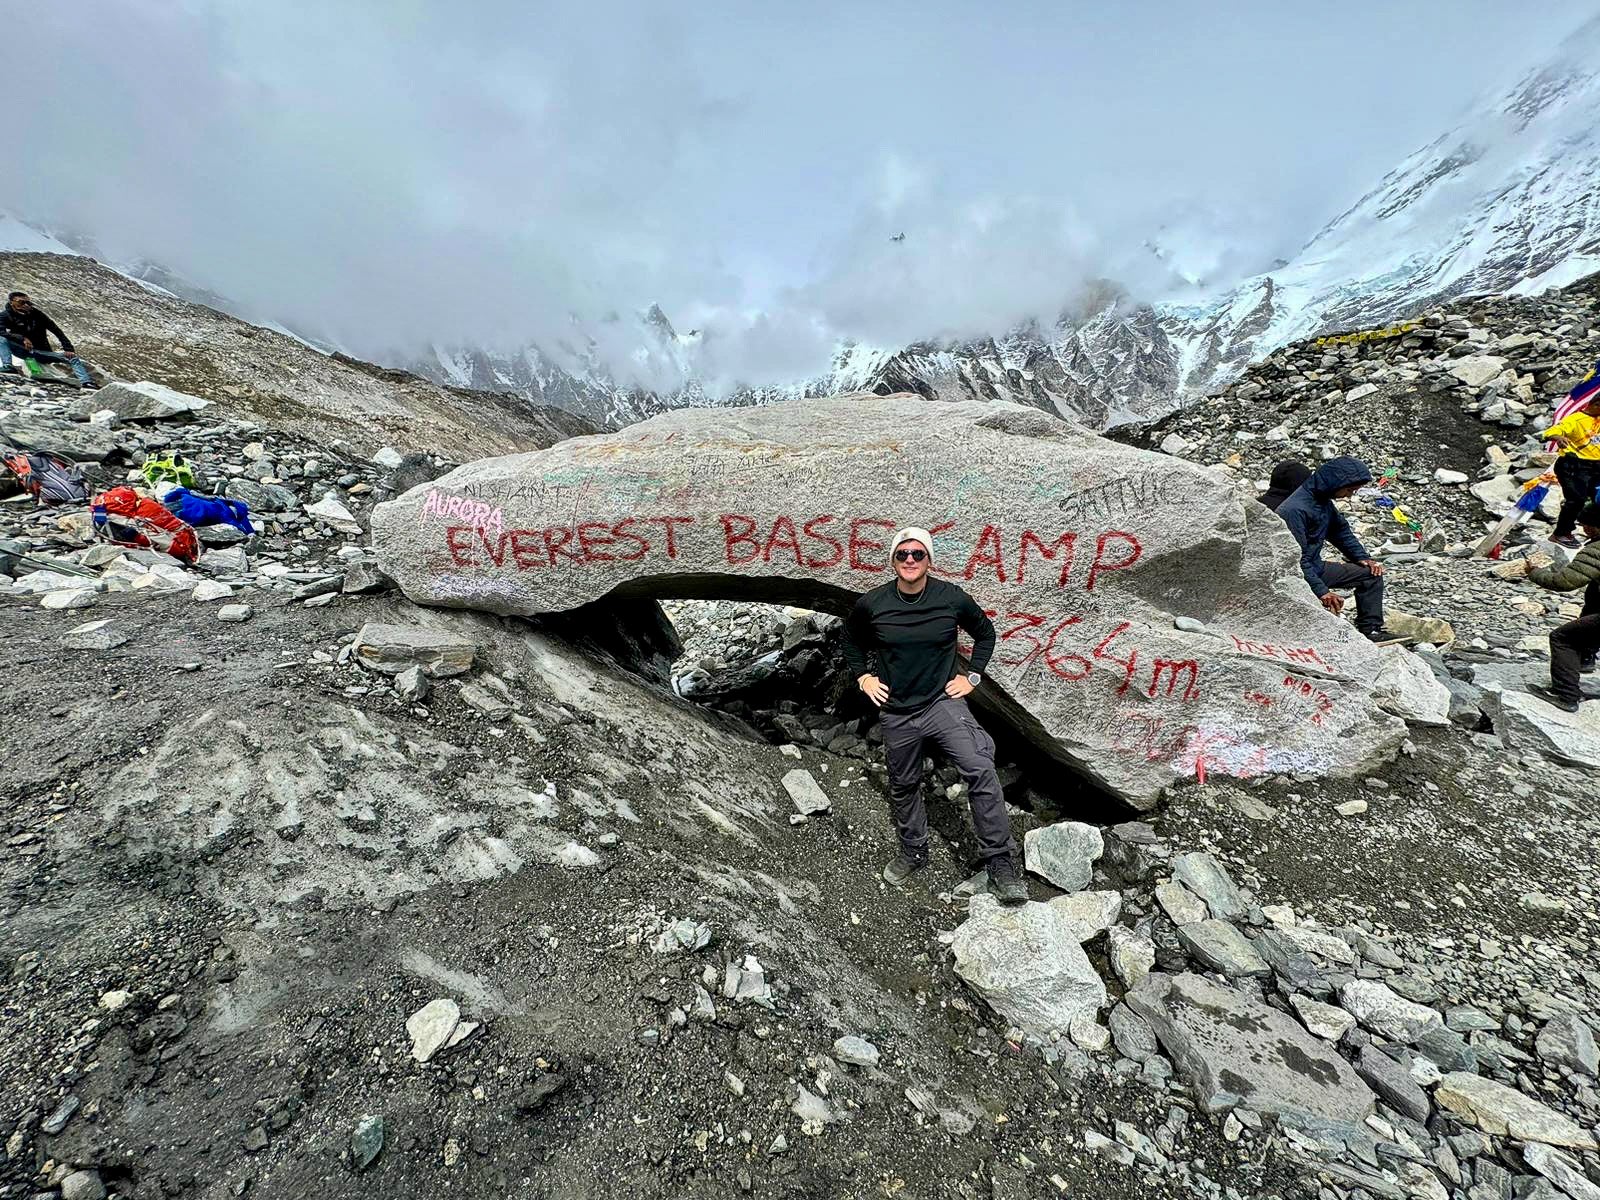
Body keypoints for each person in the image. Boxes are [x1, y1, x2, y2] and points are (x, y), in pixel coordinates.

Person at [841, 527, 1027, 905]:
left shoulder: (950, 598)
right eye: (903, 554)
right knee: (904, 782)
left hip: (942, 704)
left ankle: (1000, 863)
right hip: (897, 711)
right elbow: (850, 638)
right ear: (893, 561)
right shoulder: (873, 604)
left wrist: (972, 677)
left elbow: (985, 632)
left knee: (979, 766)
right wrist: (863, 677)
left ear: (929, 559)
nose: (910, 560)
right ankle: (914, 850)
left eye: (918, 554)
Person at [1276, 456, 1396, 641]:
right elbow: (1294, 560)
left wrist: (1362, 557)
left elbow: (1340, 531)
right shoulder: (1294, 510)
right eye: (1349, 490)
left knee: (1371, 574)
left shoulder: (1322, 501)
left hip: (1314, 567)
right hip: (1294, 575)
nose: (1349, 495)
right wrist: (1322, 591)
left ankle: (1371, 630)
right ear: (1335, 483)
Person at [1527, 500, 1600, 713]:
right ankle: (1586, 658)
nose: (1581, 529)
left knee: (1563, 638)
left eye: (1586, 524)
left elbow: (1564, 582)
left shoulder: (1596, 551)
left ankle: (1566, 695)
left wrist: (1534, 572)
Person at [1539, 395, 1600, 549]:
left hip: (1596, 465)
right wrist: (1558, 438)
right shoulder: (1575, 419)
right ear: (1596, 405)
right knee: (1576, 499)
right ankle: (1561, 533)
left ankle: (1593, 528)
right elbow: (1550, 432)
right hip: (1574, 465)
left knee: (1598, 497)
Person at [0, 292, 92, 385]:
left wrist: (68, 349)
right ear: (12, 302)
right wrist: (22, 338)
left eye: (28, 303)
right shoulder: (5, 315)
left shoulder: (37, 314)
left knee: (72, 357)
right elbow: (1, 331)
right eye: (21, 302)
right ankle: (8, 365)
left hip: (42, 352)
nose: (26, 305)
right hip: (22, 350)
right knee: (1, 338)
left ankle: (87, 382)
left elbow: (56, 330)